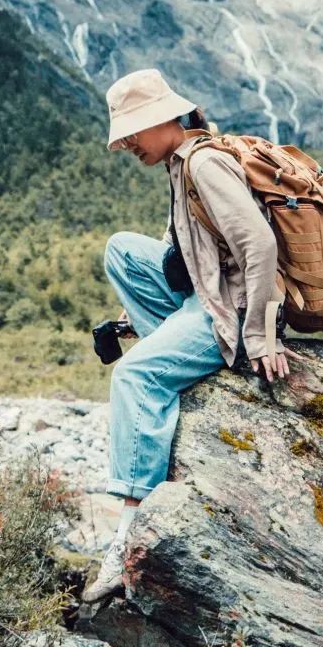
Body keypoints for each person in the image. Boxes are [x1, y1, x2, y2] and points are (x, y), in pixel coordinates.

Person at [81, 67, 291, 604]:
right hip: (206, 293)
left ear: (164, 118)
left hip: (231, 309)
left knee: (134, 377)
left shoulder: (205, 162)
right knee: (123, 249)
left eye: (133, 130)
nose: (127, 143)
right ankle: (168, 343)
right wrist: (130, 323)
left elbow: (261, 247)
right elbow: (185, 259)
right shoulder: (181, 165)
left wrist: (261, 336)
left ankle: (126, 540)